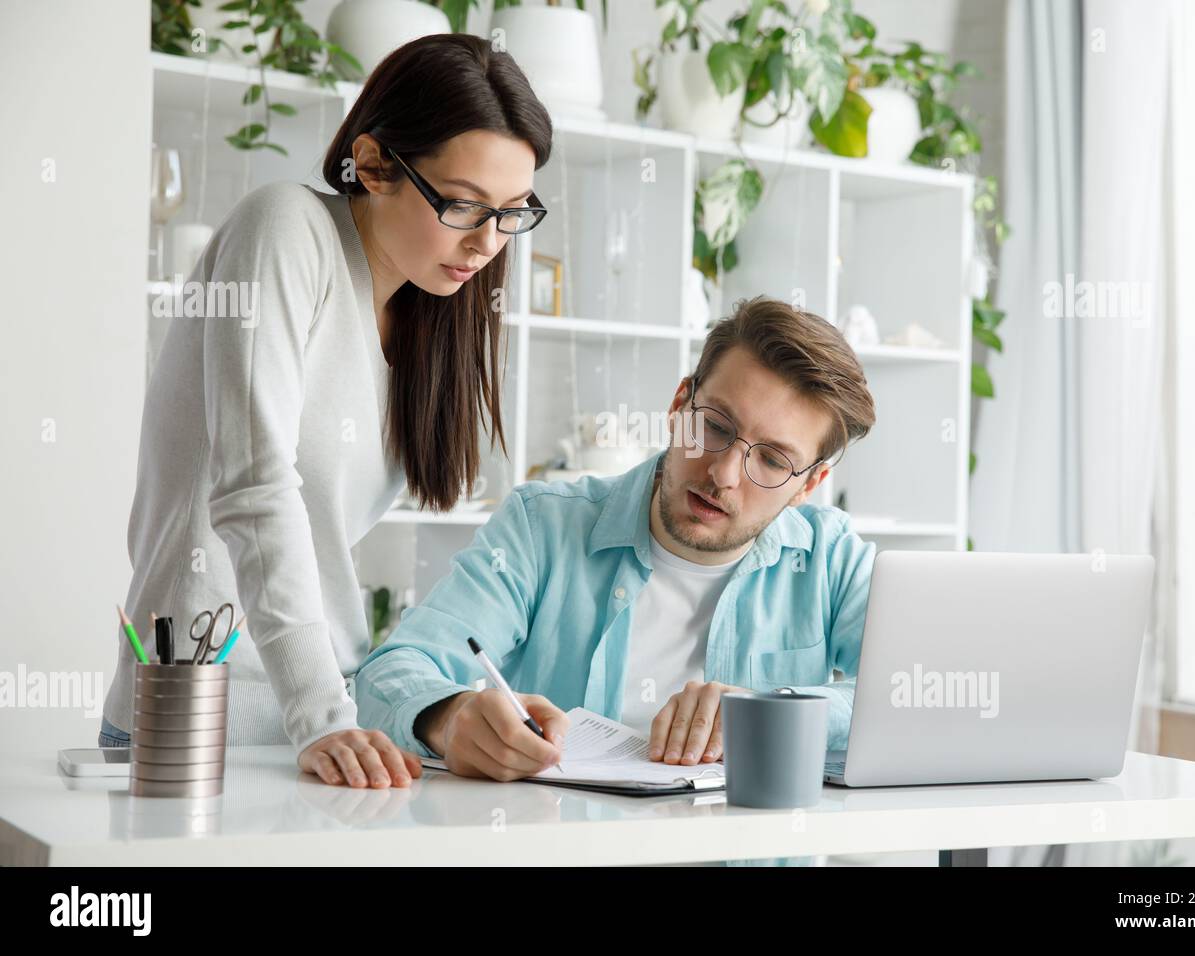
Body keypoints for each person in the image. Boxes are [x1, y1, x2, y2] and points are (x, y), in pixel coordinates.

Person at [101, 34, 552, 789]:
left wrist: (389, 712)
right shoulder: (284, 229)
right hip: (203, 721)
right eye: (464, 204)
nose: (486, 242)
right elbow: (253, 485)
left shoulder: (429, 313)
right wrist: (322, 715)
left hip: (334, 723)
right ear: (374, 164)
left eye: (511, 213)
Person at [355, 297, 878, 782]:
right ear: (679, 404)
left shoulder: (831, 558)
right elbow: (391, 671)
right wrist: (448, 718)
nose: (723, 473)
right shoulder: (542, 528)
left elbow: (915, 696)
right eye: (715, 425)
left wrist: (778, 711)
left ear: (807, 486)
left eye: (771, 459)